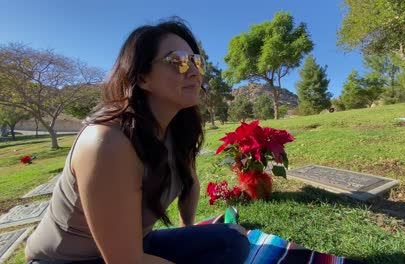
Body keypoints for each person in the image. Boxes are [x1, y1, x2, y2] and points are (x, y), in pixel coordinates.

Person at [25, 19, 251, 264]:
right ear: (142, 78)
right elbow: (126, 261)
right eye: (178, 61)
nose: (195, 72)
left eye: (196, 61)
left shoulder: (177, 130)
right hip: (69, 261)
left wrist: (189, 228)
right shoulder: (107, 142)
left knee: (232, 240)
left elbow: (190, 181)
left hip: (134, 247)